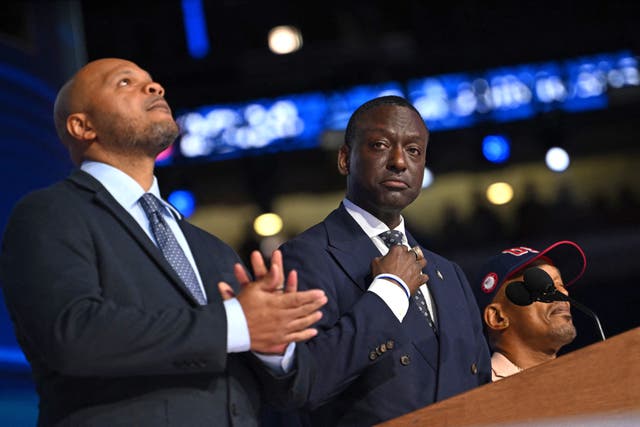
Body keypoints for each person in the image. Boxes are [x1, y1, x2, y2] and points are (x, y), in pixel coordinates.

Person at [0, 58, 328, 426]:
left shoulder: (210, 247)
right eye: (124, 82)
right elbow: (72, 335)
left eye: (153, 81)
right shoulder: (50, 213)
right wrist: (236, 323)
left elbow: (284, 394)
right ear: (82, 125)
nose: (155, 88)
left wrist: (274, 345)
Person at [277, 95, 491, 426]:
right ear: (345, 159)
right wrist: (389, 293)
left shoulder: (450, 275)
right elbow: (303, 383)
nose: (399, 162)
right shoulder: (304, 258)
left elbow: (481, 391)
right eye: (379, 145)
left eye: (414, 150)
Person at [473, 241, 586, 381]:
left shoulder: (582, 381)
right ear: (497, 318)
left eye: (560, 284)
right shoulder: (477, 391)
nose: (563, 292)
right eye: (541, 284)